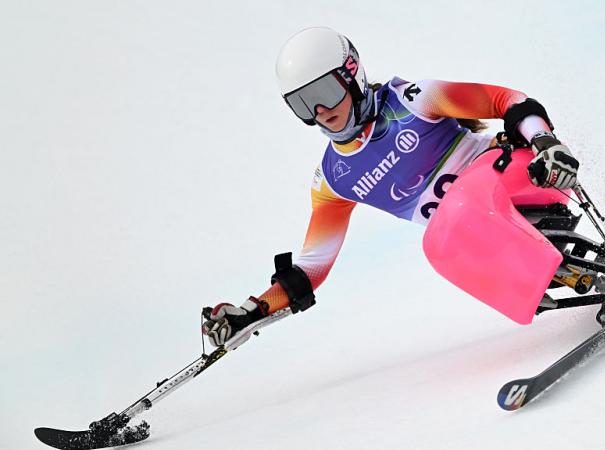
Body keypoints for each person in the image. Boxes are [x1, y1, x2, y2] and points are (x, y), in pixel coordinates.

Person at [202, 26, 580, 346]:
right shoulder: (333, 178)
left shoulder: (410, 99)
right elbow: (312, 265)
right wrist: (253, 308)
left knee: (448, 229)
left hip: (525, 176)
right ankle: (588, 277)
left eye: (324, 93)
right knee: (444, 243)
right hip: (478, 231)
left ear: (352, 74)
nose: (319, 110)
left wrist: (544, 141)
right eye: (303, 103)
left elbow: (505, 100)